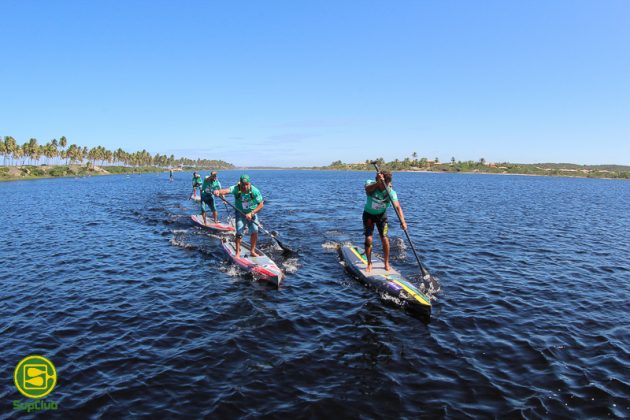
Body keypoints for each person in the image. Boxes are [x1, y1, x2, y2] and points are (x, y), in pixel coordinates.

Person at [363, 170, 407, 272]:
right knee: (369, 239)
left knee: (385, 239)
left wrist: (403, 221)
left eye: (387, 184)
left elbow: (398, 207)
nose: (385, 187)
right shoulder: (370, 184)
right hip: (368, 215)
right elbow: (367, 189)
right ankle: (369, 264)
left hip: (381, 216)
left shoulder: (391, 192)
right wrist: (378, 182)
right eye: (383, 184)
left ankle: (386, 263)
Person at [214, 174, 264, 257]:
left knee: (255, 231)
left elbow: (261, 205)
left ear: (249, 183)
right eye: (243, 184)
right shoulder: (236, 188)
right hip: (240, 213)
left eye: (246, 184)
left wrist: (251, 213)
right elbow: (226, 190)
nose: (245, 186)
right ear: (240, 183)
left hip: (251, 213)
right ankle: (237, 253)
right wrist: (218, 192)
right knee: (239, 232)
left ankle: (252, 251)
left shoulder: (255, 191)